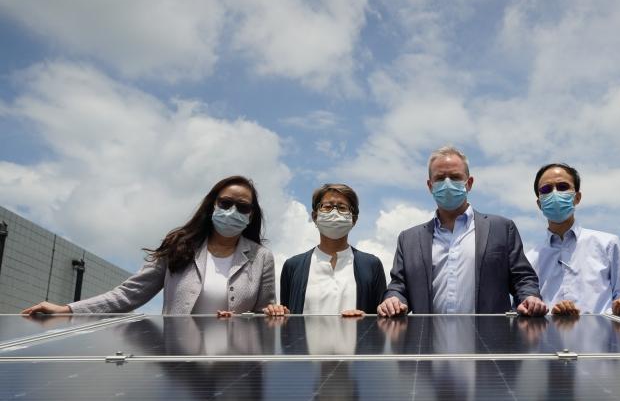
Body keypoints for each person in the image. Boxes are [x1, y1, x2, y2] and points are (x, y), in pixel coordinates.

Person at [22, 175, 276, 316]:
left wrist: (244, 319)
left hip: (234, 367)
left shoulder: (261, 257)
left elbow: (264, 316)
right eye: (225, 203)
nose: (232, 211)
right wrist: (68, 310)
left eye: (242, 207)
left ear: (251, 215)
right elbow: (128, 295)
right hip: (180, 365)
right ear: (212, 205)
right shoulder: (180, 246)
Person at [377, 145, 548, 317]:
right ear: (430, 186)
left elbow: (523, 278)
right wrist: (393, 298)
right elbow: (398, 286)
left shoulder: (501, 229)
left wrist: (530, 297)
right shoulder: (409, 239)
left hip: (489, 341)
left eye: (455, 177)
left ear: (469, 183)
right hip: (428, 341)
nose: (447, 183)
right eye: (440, 178)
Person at [526, 162, 620, 316]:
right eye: (546, 189)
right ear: (540, 203)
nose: (555, 193)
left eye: (562, 187)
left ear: (577, 197)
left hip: (601, 338)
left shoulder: (608, 245)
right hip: (549, 339)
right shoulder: (529, 259)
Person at [266, 183, 386, 317]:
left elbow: (381, 320)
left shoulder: (371, 265)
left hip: (356, 338)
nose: (334, 212)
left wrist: (365, 321)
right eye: (327, 207)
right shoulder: (293, 266)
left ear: (354, 219)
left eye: (342, 207)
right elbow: (287, 319)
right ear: (315, 216)